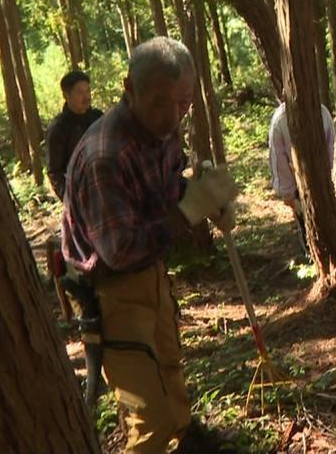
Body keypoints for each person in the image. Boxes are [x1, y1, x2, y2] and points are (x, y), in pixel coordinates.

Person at [61, 37, 239, 453]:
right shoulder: (104, 155)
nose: (173, 115)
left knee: (170, 366)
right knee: (148, 417)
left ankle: (187, 439)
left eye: (184, 103)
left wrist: (198, 193)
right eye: (161, 102)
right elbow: (119, 250)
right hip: (112, 289)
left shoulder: (163, 132)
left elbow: (165, 187)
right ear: (129, 88)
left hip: (151, 271)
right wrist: (187, 212)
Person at [268, 100, 335, 255]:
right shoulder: (281, 120)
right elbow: (279, 161)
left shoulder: (322, 112)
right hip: (299, 187)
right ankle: (315, 260)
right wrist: (289, 195)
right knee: (308, 231)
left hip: (325, 182)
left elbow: (332, 147)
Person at [45, 69, 103, 199]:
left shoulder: (98, 118)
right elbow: (54, 171)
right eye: (80, 92)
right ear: (67, 95)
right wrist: (70, 199)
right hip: (79, 195)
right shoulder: (58, 128)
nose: (86, 96)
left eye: (88, 90)